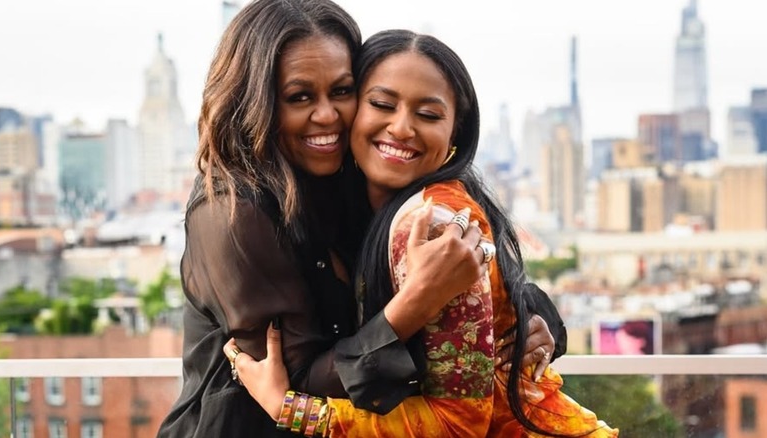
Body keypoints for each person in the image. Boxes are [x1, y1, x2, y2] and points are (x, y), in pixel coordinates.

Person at [158, 1, 561, 437]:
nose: (328, 115)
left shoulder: (355, 176)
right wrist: (415, 303)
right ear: (255, 103)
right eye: (300, 97)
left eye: (342, 91)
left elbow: (505, 289)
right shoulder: (233, 212)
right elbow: (300, 389)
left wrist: (535, 326)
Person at [228, 29, 619, 437]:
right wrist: (531, 318)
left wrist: (290, 409)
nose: (401, 128)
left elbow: (458, 424)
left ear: (455, 133)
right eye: (381, 104)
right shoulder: (354, 206)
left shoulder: (432, 226)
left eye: (428, 115)